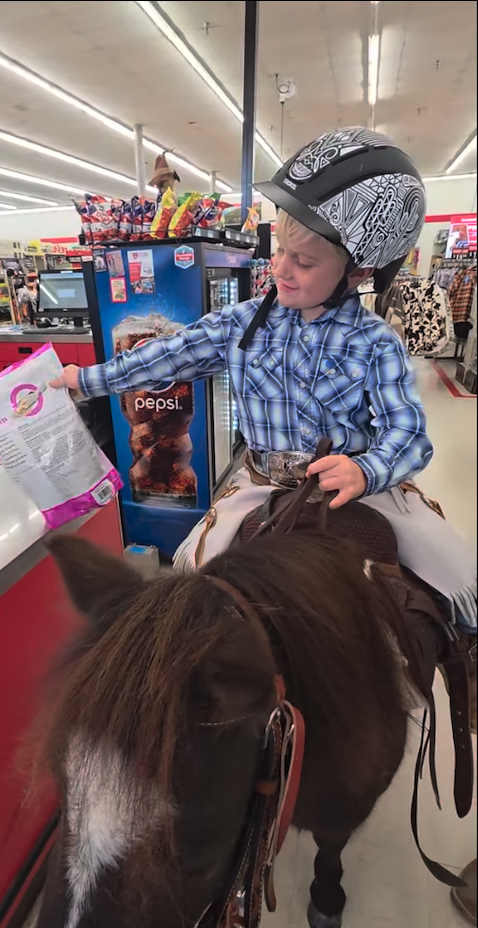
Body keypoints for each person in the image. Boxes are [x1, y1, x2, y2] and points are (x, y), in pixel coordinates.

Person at [49, 126, 476, 638]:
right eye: (280, 251)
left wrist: (367, 470)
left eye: (306, 261)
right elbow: (165, 357)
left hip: (355, 490)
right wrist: (88, 378)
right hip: (261, 483)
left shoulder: (375, 342)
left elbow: (409, 435)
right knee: (190, 579)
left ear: (360, 272)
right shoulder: (241, 321)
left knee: (458, 587)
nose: (281, 269)